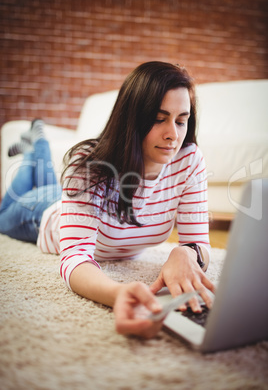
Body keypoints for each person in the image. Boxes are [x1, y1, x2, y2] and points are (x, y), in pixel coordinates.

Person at [0, 61, 215, 339]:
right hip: (43, 215)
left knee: (51, 184)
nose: (173, 134)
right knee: (5, 211)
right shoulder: (90, 165)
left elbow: (199, 243)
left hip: (74, 196)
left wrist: (185, 252)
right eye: (159, 119)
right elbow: (74, 256)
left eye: (181, 120)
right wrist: (117, 292)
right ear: (133, 118)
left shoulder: (189, 160)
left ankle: (35, 144)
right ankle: (35, 145)